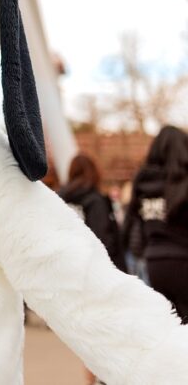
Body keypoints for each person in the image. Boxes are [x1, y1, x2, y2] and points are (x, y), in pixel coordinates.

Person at [124, 125, 188, 322]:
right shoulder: (183, 181)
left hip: (154, 263)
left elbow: (129, 226)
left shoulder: (142, 183)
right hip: (183, 259)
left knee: (171, 324)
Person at [58, 153, 126, 271]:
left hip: (65, 265)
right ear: (94, 172)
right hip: (94, 269)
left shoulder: (58, 200)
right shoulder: (95, 200)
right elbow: (102, 238)